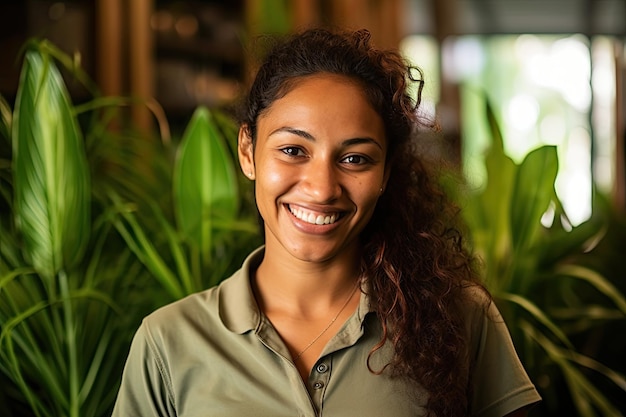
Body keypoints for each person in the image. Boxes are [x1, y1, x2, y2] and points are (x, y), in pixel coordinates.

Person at [111, 27, 541, 417]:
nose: (321, 188)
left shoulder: (459, 317)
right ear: (248, 151)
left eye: (355, 158)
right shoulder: (169, 341)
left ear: (386, 173)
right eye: (293, 150)